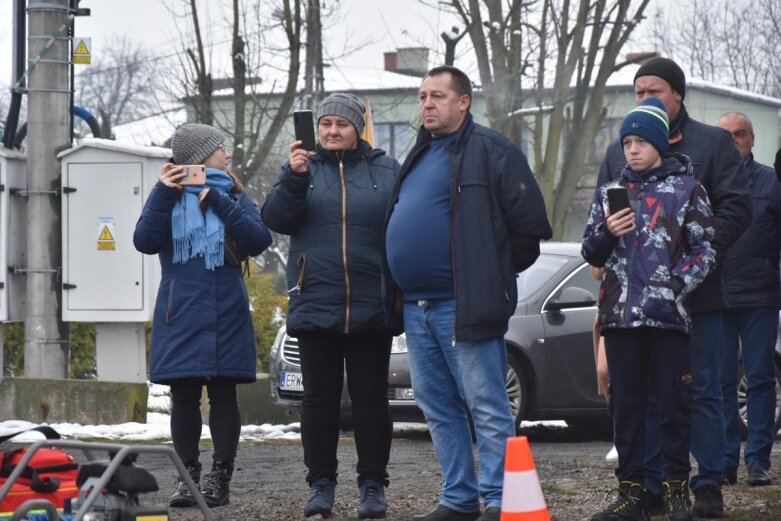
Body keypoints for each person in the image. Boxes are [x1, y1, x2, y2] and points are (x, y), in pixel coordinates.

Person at [384, 65, 552, 521]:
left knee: (487, 404)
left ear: (464, 101)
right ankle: (459, 499)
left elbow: (530, 231)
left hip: (464, 305)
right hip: (416, 308)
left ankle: (499, 498)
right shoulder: (419, 154)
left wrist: (487, 275)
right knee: (436, 406)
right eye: (422, 97)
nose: (427, 105)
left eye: (437, 95)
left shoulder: (492, 151)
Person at [596, 57, 752, 518]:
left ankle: (705, 485)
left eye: (655, 90)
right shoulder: (618, 149)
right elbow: (605, 219)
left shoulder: (712, 143)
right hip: (633, 307)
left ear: (678, 95)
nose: (645, 97)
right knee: (642, 397)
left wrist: (682, 264)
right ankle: (647, 487)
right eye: (638, 91)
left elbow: (738, 208)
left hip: (694, 299)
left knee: (700, 391)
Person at [261, 92, 401, 519]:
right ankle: (320, 485)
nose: (332, 131)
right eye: (326, 125)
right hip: (315, 300)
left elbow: (406, 224)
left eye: (342, 124)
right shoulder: (302, 170)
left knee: (371, 400)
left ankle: (373, 486)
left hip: (372, 303)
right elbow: (275, 219)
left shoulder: (387, 170)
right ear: (316, 130)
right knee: (318, 402)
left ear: (358, 128)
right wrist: (293, 177)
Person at [584, 97, 716, 521]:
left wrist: (676, 284)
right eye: (627, 142)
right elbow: (591, 252)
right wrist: (607, 233)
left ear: (660, 143)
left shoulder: (687, 190)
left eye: (641, 141)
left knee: (674, 408)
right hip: (620, 320)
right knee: (626, 411)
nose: (633, 149)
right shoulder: (609, 193)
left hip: (668, 319)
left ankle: (677, 492)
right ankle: (632, 495)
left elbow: (706, 250)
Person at [133, 123, 273, 508]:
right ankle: (188, 478)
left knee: (225, 395)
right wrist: (164, 192)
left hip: (226, 307)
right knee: (183, 397)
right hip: (180, 311)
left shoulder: (232, 192)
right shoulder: (167, 196)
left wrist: (219, 202)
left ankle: (220, 479)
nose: (227, 155)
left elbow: (259, 240)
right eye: (220, 149)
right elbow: (144, 240)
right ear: (198, 157)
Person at [716, 112, 781, 488]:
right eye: (725, 135)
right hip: (717, 298)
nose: (733, 141)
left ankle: (757, 460)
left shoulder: (772, 183)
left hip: (760, 295)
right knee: (720, 382)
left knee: (759, 379)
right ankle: (724, 460)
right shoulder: (705, 184)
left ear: (752, 139)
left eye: (739, 134)